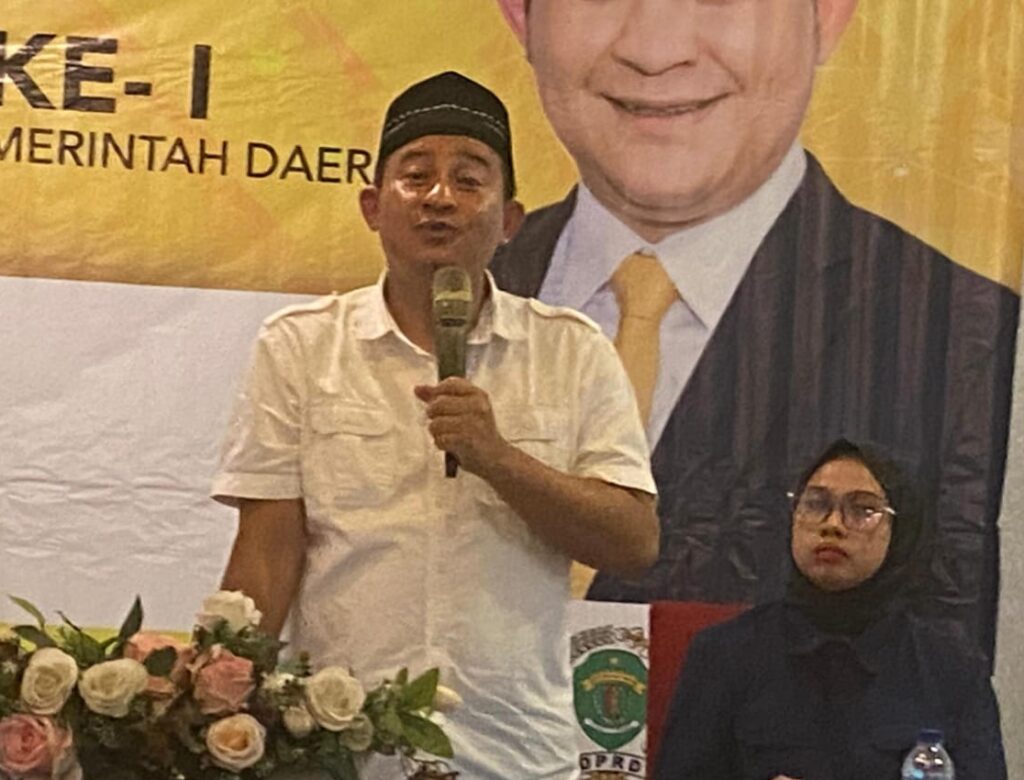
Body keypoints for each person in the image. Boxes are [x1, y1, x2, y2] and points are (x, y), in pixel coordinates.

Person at [490, 0, 1019, 659]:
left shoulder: (956, 332)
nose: (656, 51)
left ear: (828, 15)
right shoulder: (449, 304)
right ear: (520, 16)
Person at [210, 70, 658, 780]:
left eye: (468, 179)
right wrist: (217, 709)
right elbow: (268, 552)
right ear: (372, 206)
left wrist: (498, 457)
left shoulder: (572, 351)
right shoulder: (300, 345)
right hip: (339, 753)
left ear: (510, 220)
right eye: (415, 176)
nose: (440, 197)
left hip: (513, 755)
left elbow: (633, 540)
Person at [653, 439, 1007, 780]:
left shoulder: (951, 670)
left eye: (863, 510)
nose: (833, 524)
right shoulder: (724, 655)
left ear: (900, 532)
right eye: (815, 504)